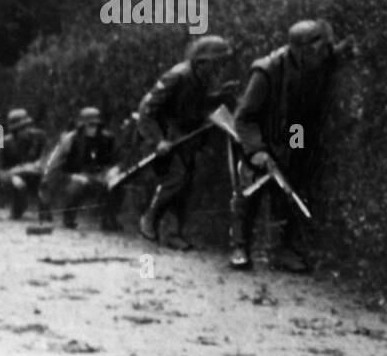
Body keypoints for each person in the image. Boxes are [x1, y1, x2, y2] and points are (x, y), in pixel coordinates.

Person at [228, 19, 350, 272]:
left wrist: (295, 149)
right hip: (261, 137)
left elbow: (333, 57)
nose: (322, 54)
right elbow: (244, 117)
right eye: (318, 50)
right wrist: (257, 150)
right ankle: (240, 247)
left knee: (293, 186)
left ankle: (285, 250)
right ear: (303, 50)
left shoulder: (314, 62)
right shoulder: (266, 71)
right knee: (250, 190)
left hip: (294, 133)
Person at [136, 36, 235, 249]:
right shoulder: (177, 76)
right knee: (176, 177)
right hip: (161, 135)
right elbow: (147, 110)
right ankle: (149, 219)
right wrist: (158, 140)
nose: (220, 68)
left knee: (186, 183)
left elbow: (193, 105)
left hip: (182, 137)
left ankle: (173, 233)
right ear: (203, 61)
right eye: (217, 62)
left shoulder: (203, 78)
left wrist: (220, 96)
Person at [41, 106, 123, 231]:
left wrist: (114, 169)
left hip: (100, 175)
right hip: (72, 176)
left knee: (118, 184)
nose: (94, 128)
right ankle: (69, 217)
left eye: (96, 125)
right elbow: (54, 167)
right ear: (82, 126)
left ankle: (109, 219)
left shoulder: (108, 139)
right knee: (77, 186)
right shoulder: (70, 140)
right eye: (90, 125)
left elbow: (119, 158)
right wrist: (71, 176)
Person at [0, 108, 51, 221]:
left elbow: (48, 157)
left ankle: (45, 213)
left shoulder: (40, 137)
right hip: (16, 180)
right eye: (22, 128)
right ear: (14, 131)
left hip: (36, 175)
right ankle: (14, 207)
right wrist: (11, 177)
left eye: (27, 126)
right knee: (16, 211)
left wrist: (38, 166)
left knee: (46, 181)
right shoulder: (4, 143)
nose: (26, 130)